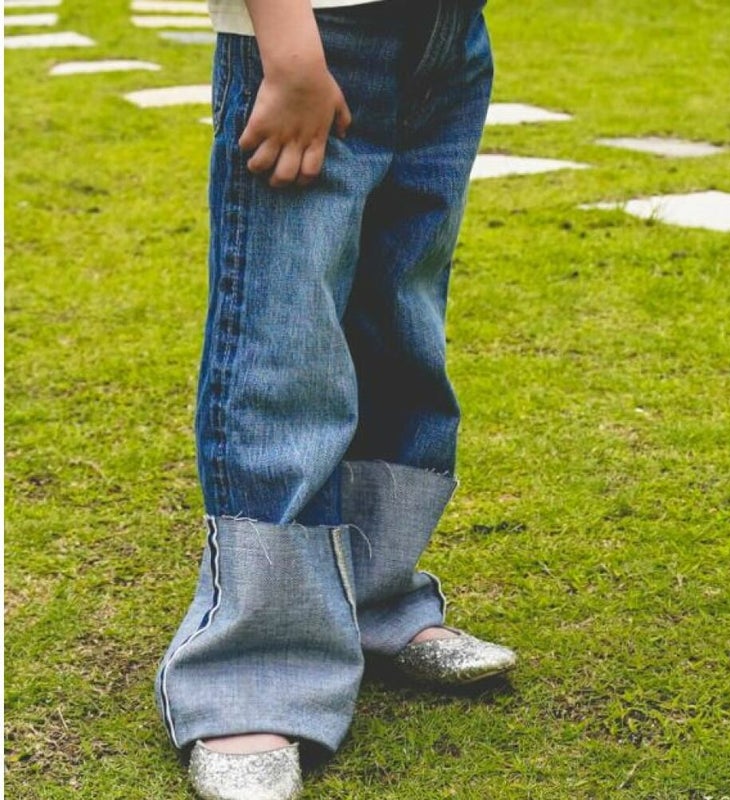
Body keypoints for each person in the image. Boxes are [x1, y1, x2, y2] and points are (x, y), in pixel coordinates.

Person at [154, 0, 517, 797]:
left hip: (443, 33)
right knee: (285, 340)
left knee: (399, 322)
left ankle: (371, 598)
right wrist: (288, 51)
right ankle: (252, 670)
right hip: (315, 35)